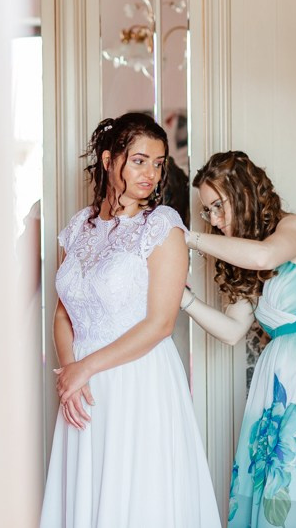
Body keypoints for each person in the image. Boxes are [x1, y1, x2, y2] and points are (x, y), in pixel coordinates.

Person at [39, 112, 221, 528]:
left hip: (137, 379)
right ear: (108, 160)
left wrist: (84, 368)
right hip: (82, 388)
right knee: (88, 492)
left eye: (158, 164)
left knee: (136, 495)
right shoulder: (77, 228)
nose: (151, 174)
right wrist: (70, 373)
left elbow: (160, 323)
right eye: (139, 160)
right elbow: (64, 311)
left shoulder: (161, 227)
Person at [182, 151, 296, 528]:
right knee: (269, 482)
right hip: (277, 374)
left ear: (243, 193)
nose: (214, 219)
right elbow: (231, 330)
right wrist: (185, 300)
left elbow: (264, 255)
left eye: (217, 206)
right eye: (207, 211)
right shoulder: (246, 259)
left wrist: (189, 239)